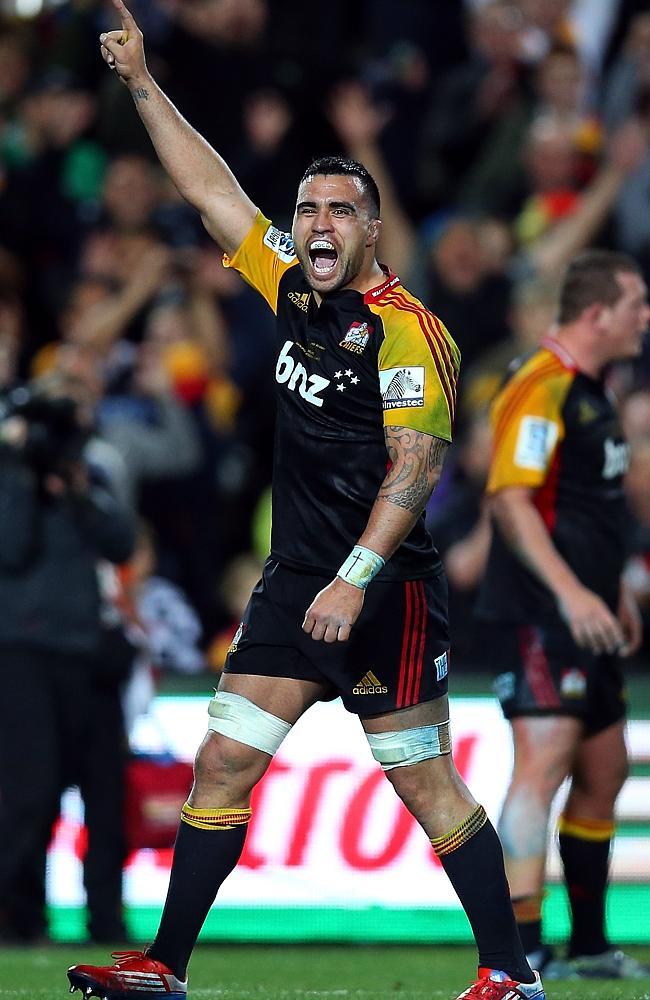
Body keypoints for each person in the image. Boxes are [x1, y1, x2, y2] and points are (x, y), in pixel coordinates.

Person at [66, 4, 545, 999]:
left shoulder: (411, 334)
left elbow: (413, 476)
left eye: (338, 211)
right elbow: (208, 191)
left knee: (423, 781)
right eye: (308, 209)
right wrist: (144, 86)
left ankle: (509, 972)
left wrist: (355, 576)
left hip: (387, 590)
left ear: (371, 228)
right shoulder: (291, 288)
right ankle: (164, 966)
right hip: (296, 583)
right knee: (220, 764)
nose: (318, 226)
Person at [477, 249, 650, 979]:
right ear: (596, 313)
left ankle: (586, 945)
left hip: (590, 614)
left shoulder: (590, 390)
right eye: (637, 303)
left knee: (604, 769)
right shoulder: (539, 384)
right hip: (543, 613)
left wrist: (609, 591)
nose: (645, 317)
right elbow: (511, 499)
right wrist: (574, 593)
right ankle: (522, 944)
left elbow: (584, 506)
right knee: (541, 767)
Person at [0, 374, 135, 944]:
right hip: (24, 654)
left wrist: (74, 488)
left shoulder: (88, 476)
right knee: (30, 792)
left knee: (107, 795)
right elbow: (9, 547)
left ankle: (105, 919)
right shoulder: (10, 479)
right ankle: (16, 915)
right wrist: (23, 476)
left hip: (91, 654)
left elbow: (121, 542)